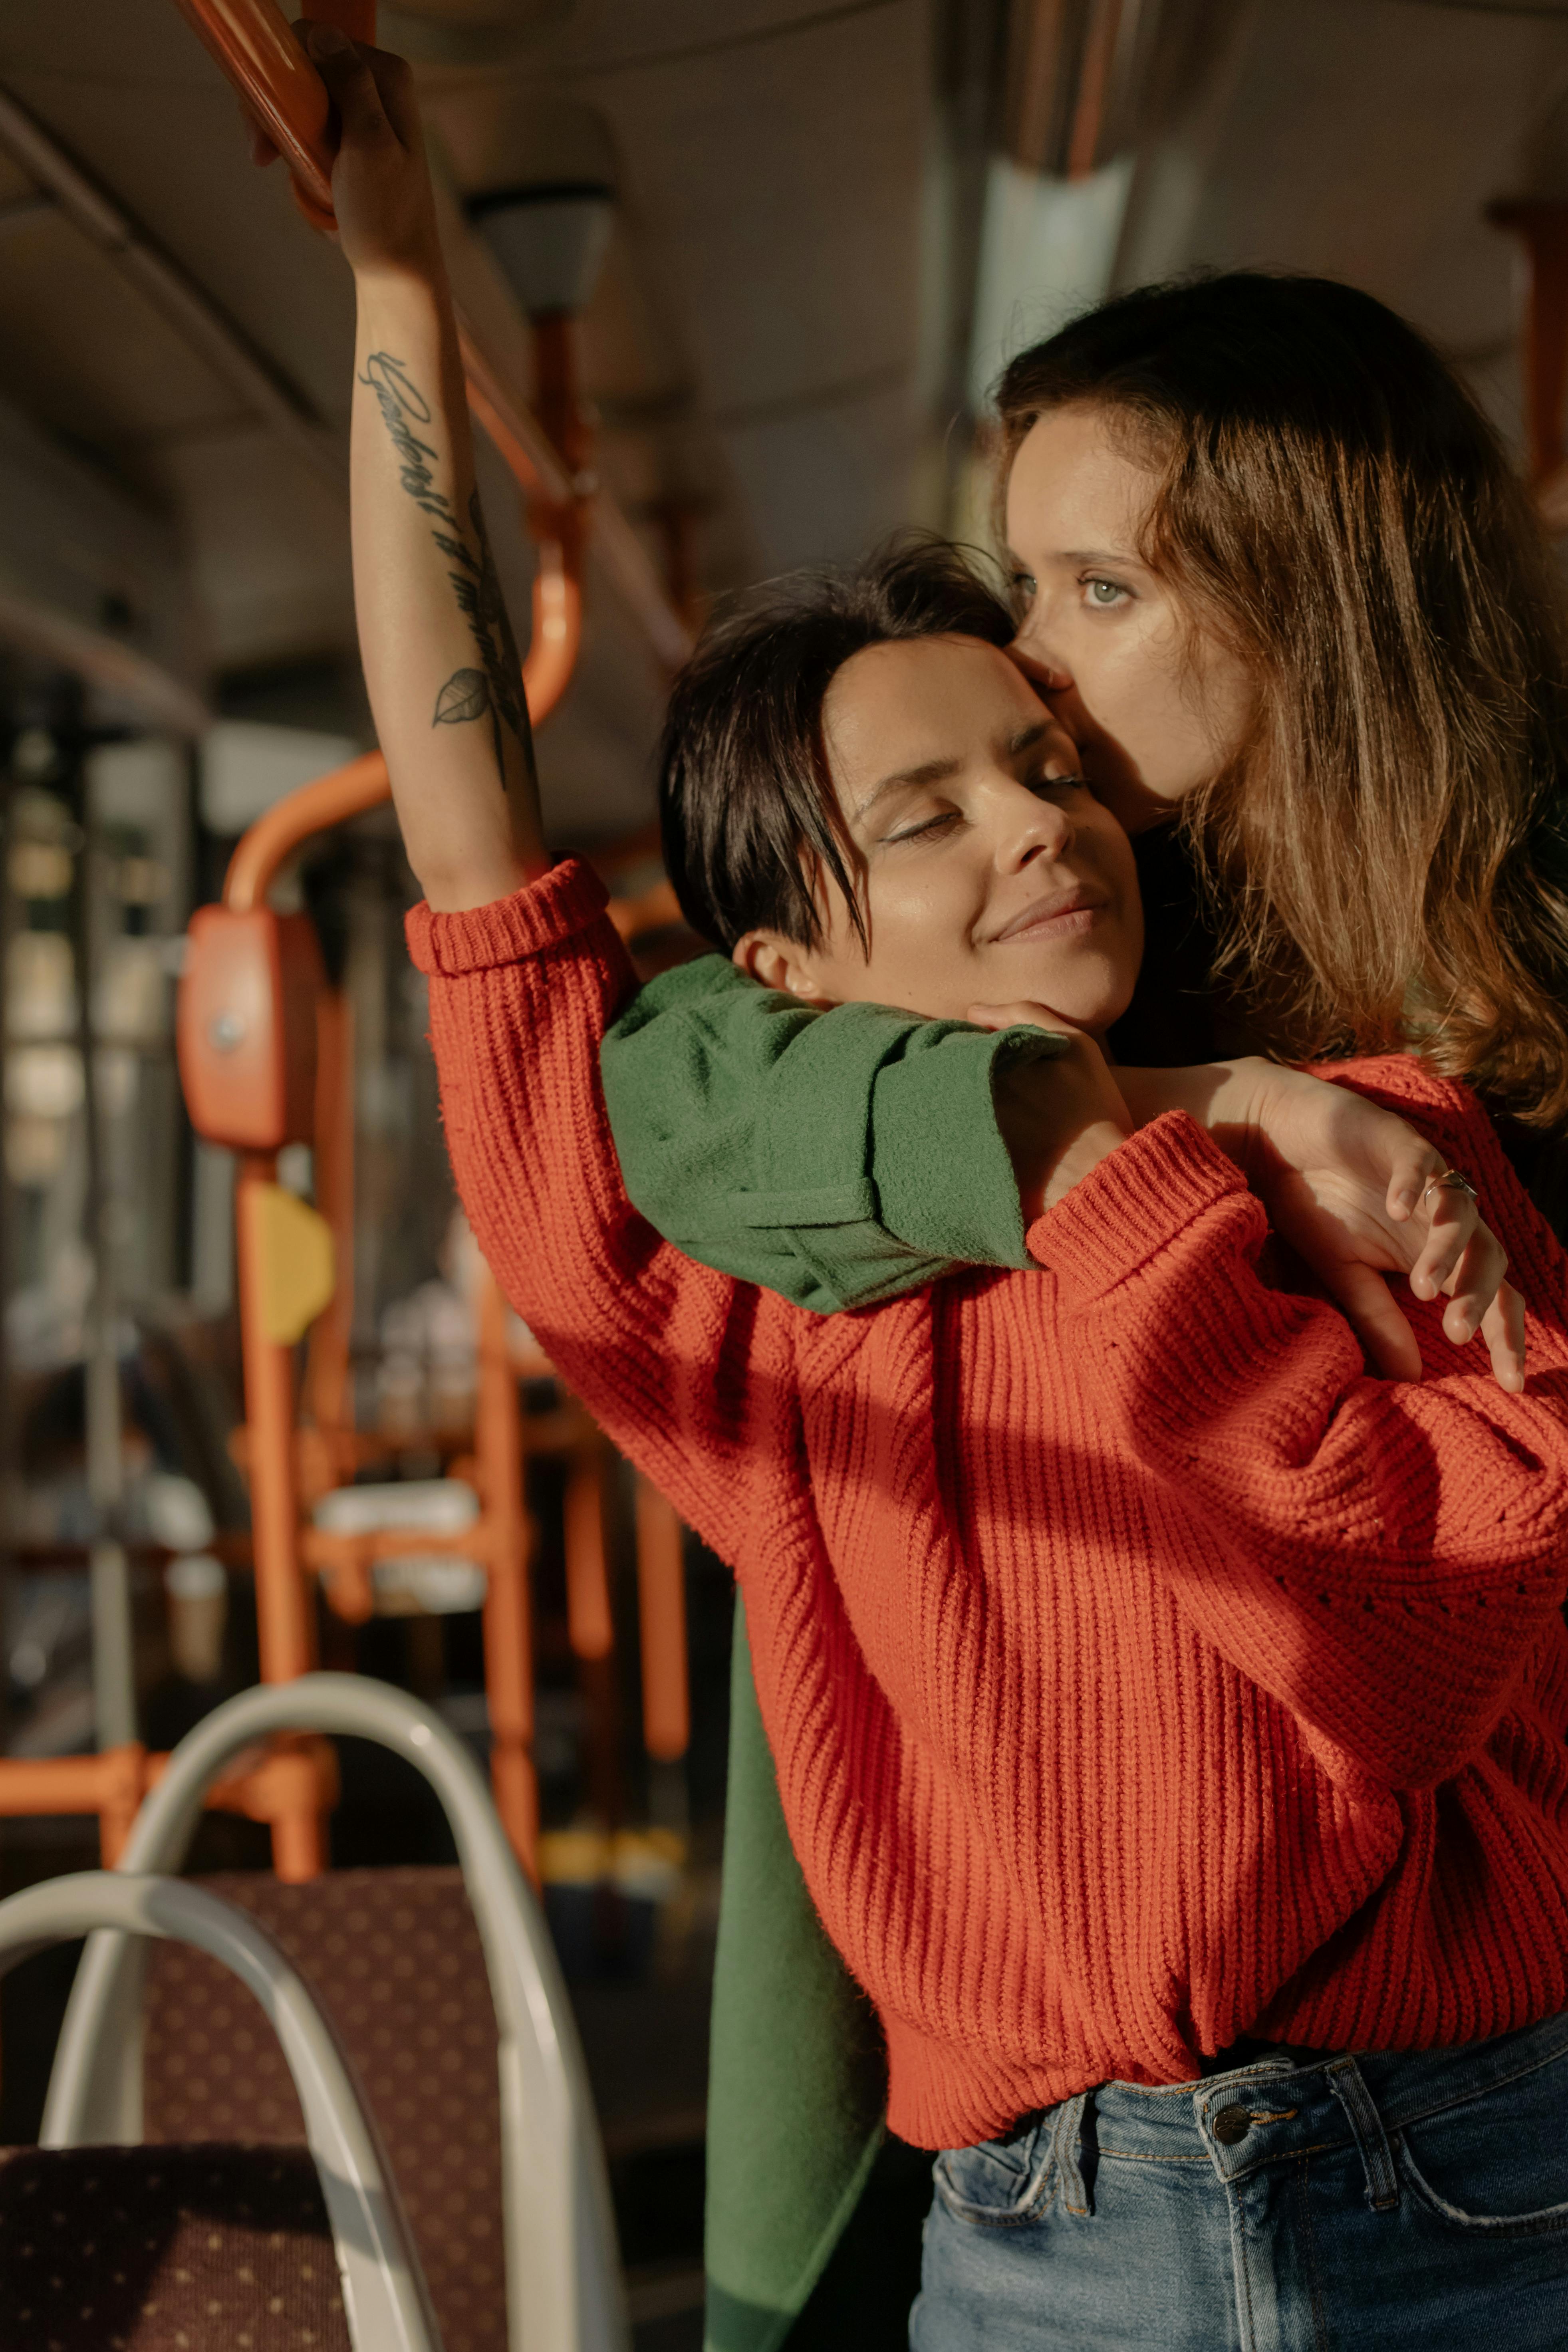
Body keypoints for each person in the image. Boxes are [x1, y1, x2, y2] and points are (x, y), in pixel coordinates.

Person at [298, 30, 1568, 2344]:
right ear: (785, 963)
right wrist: (398, 296)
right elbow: (475, 859)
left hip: (1466, 2175)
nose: (1040, 809)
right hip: (1042, 2236)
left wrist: (1137, 1167)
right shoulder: (756, 1310)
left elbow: (1400, 1655)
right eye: (928, 817)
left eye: (1042, 749)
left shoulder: (1390, 1133)